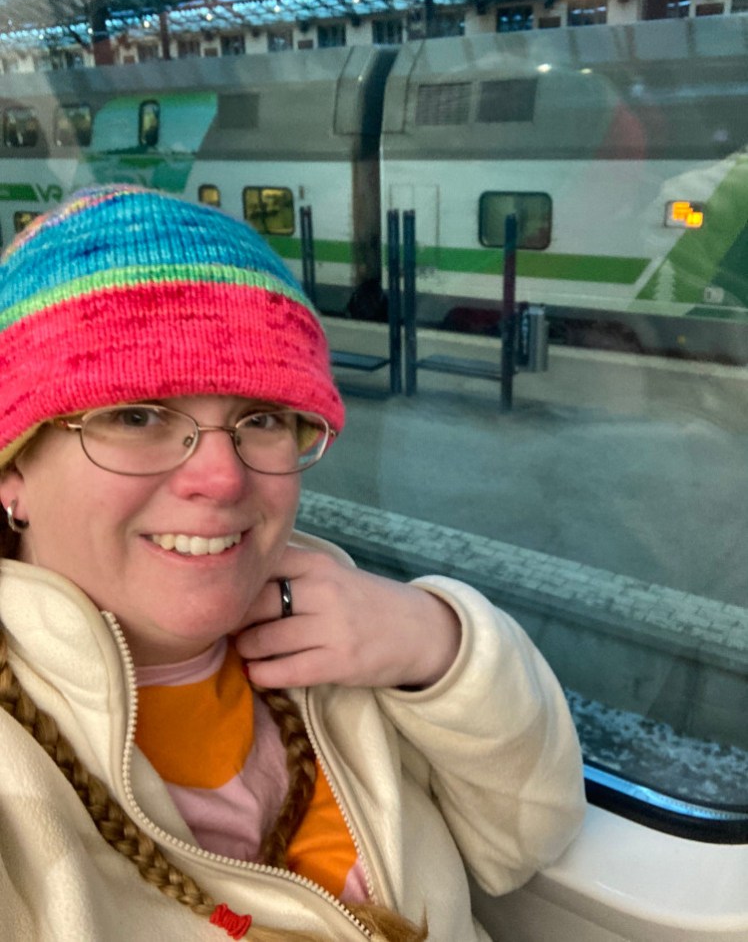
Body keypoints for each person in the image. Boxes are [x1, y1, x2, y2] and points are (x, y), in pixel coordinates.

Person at [0, 184, 585, 941]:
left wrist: (436, 646)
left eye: (263, 417)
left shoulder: (349, 633)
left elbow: (528, 837)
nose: (223, 477)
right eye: (137, 414)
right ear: (13, 470)